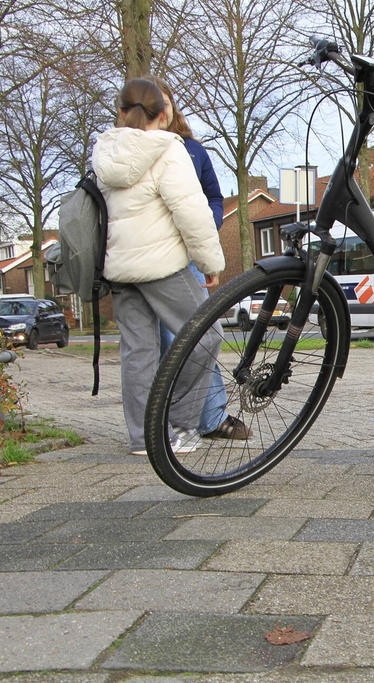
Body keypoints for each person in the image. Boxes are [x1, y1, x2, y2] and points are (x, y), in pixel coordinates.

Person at [92, 78, 226, 455]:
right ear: (164, 114)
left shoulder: (104, 153)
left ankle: (143, 439)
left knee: (139, 353)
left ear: (120, 112)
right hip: (162, 266)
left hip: (118, 269)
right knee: (208, 333)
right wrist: (209, 261)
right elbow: (192, 211)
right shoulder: (169, 149)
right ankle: (181, 427)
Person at [149, 76, 251, 441]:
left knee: (196, 337)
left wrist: (207, 229)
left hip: (186, 254)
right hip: (148, 257)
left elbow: (213, 197)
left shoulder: (191, 151)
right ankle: (165, 422)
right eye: (152, 105)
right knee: (157, 343)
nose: (161, 111)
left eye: (165, 103)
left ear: (172, 108)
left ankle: (209, 416)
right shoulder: (132, 151)